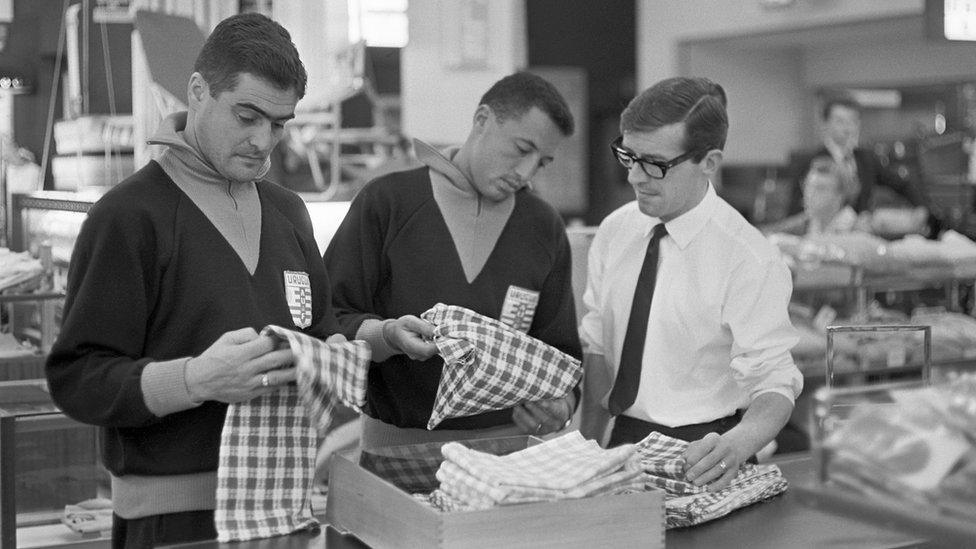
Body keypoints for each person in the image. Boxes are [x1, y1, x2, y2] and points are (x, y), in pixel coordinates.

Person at [45, 13, 340, 548]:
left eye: (278, 124)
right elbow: (78, 378)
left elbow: (318, 330)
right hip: (172, 521)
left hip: (283, 509)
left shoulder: (289, 213)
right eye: (247, 115)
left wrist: (369, 343)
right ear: (199, 92)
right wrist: (195, 380)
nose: (262, 141)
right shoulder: (129, 216)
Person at [324, 72, 582, 447]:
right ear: (482, 120)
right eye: (522, 149)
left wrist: (562, 404)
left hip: (508, 456)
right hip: (397, 449)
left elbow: (561, 354)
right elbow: (330, 318)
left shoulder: (543, 227)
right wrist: (387, 336)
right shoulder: (388, 203)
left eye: (541, 162)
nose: (526, 173)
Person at [578, 77, 803, 491]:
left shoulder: (748, 257)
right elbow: (596, 341)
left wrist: (738, 444)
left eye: (656, 164)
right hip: (620, 440)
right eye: (629, 157)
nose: (636, 178)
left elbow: (775, 382)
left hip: (705, 448)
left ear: (709, 162)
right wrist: (586, 447)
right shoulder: (615, 231)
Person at [788, 94, 932, 225]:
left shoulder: (866, 158)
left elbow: (901, 183)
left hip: (861, 235)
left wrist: (921, 207)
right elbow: (795, 211)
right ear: (825, 124)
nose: (847, 128)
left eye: (852, 121)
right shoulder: (809, 162)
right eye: (840, 121)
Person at [762, 154, 867, 236]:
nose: (809, 195)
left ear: (840, 195)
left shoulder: (858, 228)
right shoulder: (804, 222)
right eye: (808, 187)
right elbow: (763, 235)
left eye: (820, 188)